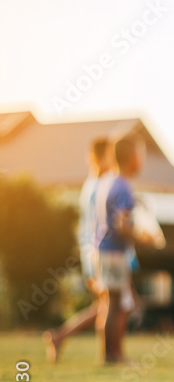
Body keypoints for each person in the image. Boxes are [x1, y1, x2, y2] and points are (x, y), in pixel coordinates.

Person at [44, 137, 114, 362]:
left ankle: (62, 336)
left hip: (91, 252)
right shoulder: (99, 186)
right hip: (98, 253)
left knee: (105, 304)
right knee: (110, 303)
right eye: (111, 154)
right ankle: (108, 354)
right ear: (102, 157)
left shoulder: (90, 184)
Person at [94, 138, 145, 365]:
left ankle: (111, 354)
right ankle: (113, 355)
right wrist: (141, 236)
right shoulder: (124, 185)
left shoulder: (109, 182)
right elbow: (123, 223)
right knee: (116, 304)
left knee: (113, 303)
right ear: (132, 157)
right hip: (114, 252)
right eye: (141, 154)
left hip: (105, 250)